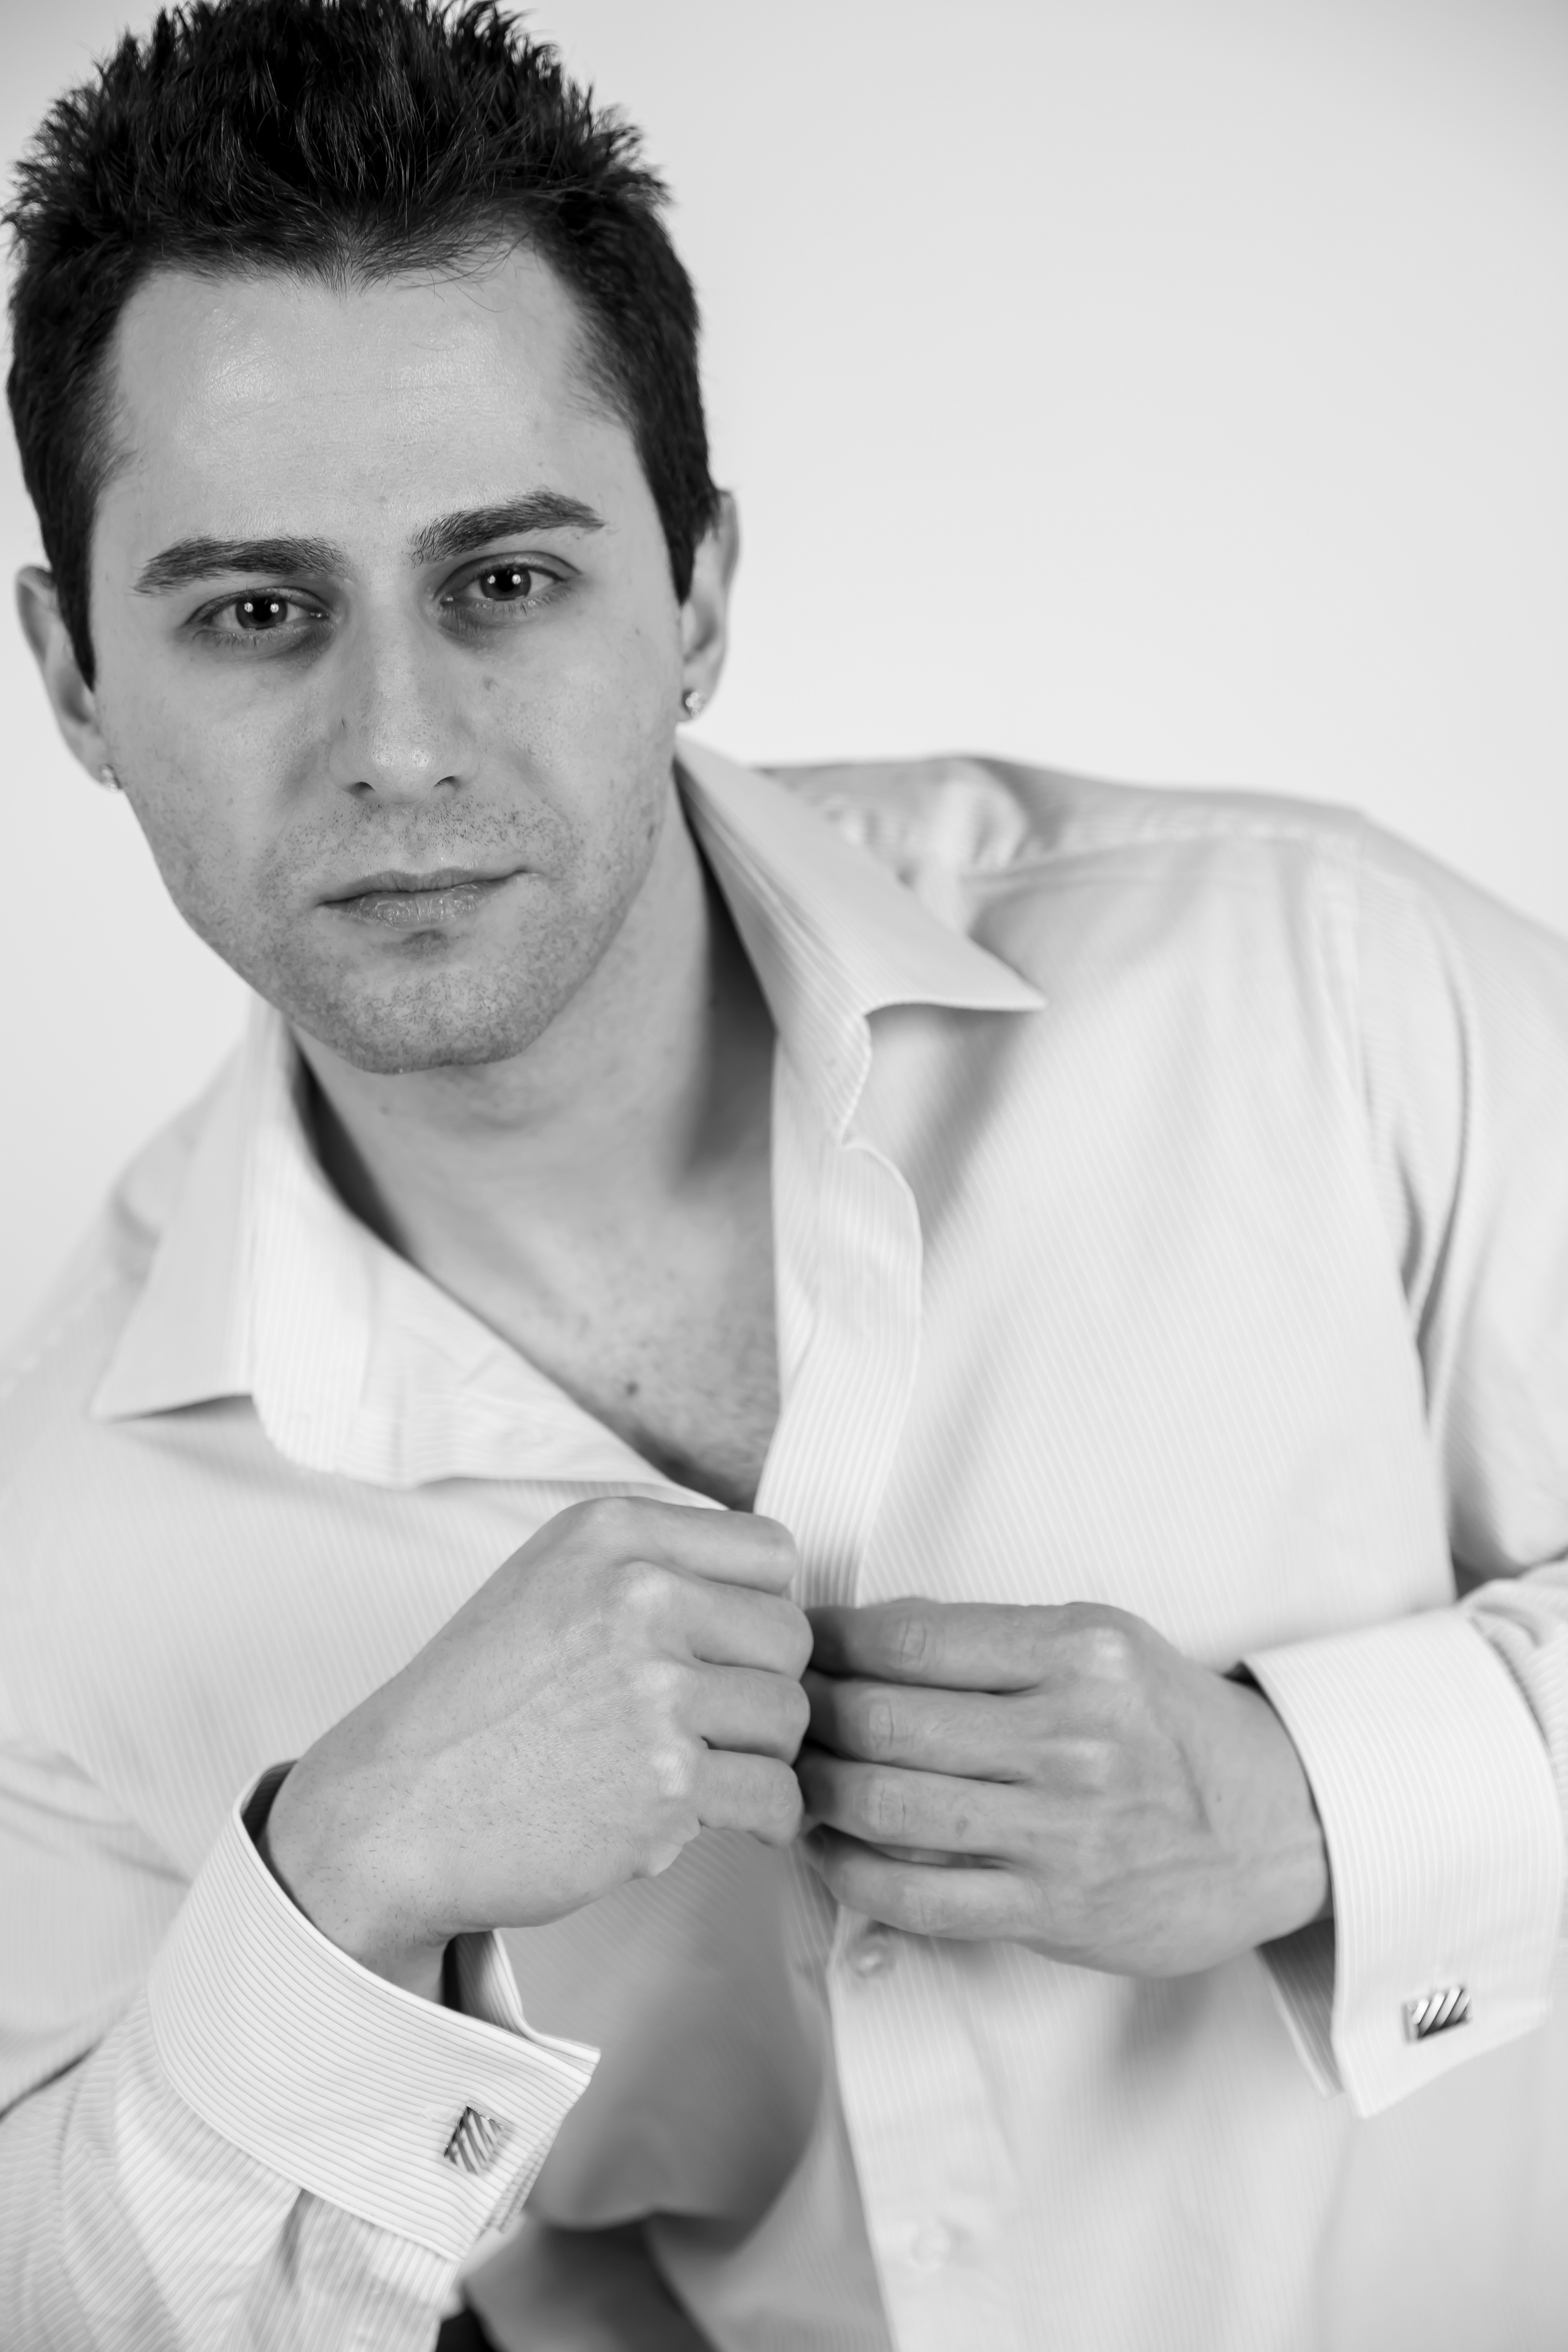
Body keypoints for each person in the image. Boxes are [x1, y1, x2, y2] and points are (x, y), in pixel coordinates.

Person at [2, 1, 1565, 2346]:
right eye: (255, 612)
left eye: (505, 583)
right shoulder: (50, 1558)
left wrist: (1322, 1806)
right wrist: (340, 1881)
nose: (399, 746)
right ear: (74, 682)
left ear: (702, 599)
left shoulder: (1319, 990)